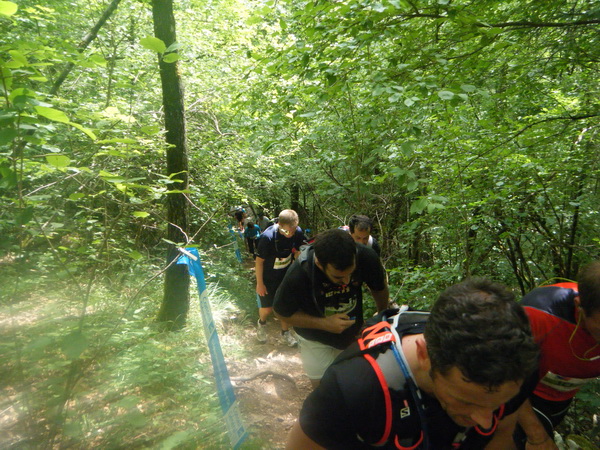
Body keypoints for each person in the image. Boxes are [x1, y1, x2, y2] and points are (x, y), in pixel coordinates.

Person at [286, 278, 540, 449]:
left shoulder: (517, 364)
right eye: (466, 401)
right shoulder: (353, 389)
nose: (486, 420)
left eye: (496, 406)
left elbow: (500, 435)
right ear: (424, 354)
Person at [273, 228, 389, 387]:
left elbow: (379, 288)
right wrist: (324, 324)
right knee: (324, 388)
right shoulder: (300, 273)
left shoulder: (367, 257)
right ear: (319, 263)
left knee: (352, 383)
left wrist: (380, 317)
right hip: (313, 338)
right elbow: (281, 312)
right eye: (338, 277)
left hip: (352, 335)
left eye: (351, 273)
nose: (347, 281)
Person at [511, 261, 600, 449]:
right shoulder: (537, 315)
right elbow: (505, 382)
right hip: (523, 394)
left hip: (562, 399)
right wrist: (537, 436)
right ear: (579, 306)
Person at [255, 209, 306, 346]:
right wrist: (260, 283)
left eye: (294, 229)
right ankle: (262, 324)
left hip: (286, 275)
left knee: (285, 306)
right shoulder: (267, 237)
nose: (292, 233)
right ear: (280, 225)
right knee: (267, 308)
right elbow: (259, 262)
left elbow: (297, 251)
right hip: (268, 278)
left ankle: (285, 333)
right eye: (288, 231)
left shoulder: (297, 232)